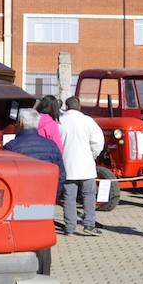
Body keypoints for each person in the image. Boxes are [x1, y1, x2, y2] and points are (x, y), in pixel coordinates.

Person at [5, 107, 65, 274]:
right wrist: (53, 196)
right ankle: (44, 273)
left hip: (19, 203)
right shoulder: (51, 146)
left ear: (21, 123)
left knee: (20, 238)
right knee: (43, 240)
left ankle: (19, 272)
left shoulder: (11, 147)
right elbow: (62, 175)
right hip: (44, 202)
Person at [58, 96, 105, 236]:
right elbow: (98, 142)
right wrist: (93, 155)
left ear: (66, 106)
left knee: (68, 198)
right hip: (86, 166)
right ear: (79, 106)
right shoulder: (87, 121)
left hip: (67, 166)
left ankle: (70, 227)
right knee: (89, 196)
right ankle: (89, 225)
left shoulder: (60, 121)